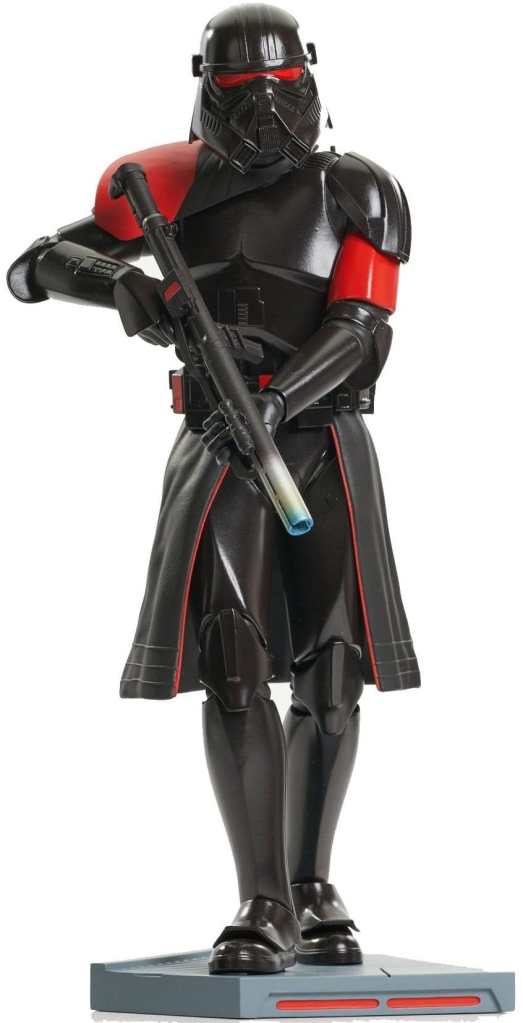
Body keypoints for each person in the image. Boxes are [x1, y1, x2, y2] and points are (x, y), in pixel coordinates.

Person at [7, 2, 420, 975]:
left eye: (283, 90)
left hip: (320, 438)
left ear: (309, 78)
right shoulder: (165, 182)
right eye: (244, 93)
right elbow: (32, 268)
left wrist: (278, 400)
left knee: (331, 665)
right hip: (216, 442)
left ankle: (312, 885)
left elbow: (363, 326)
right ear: (207, 87)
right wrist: (117, 284)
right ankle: (262, 898)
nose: (267, 112)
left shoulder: (356, 188)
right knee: (233, 659)